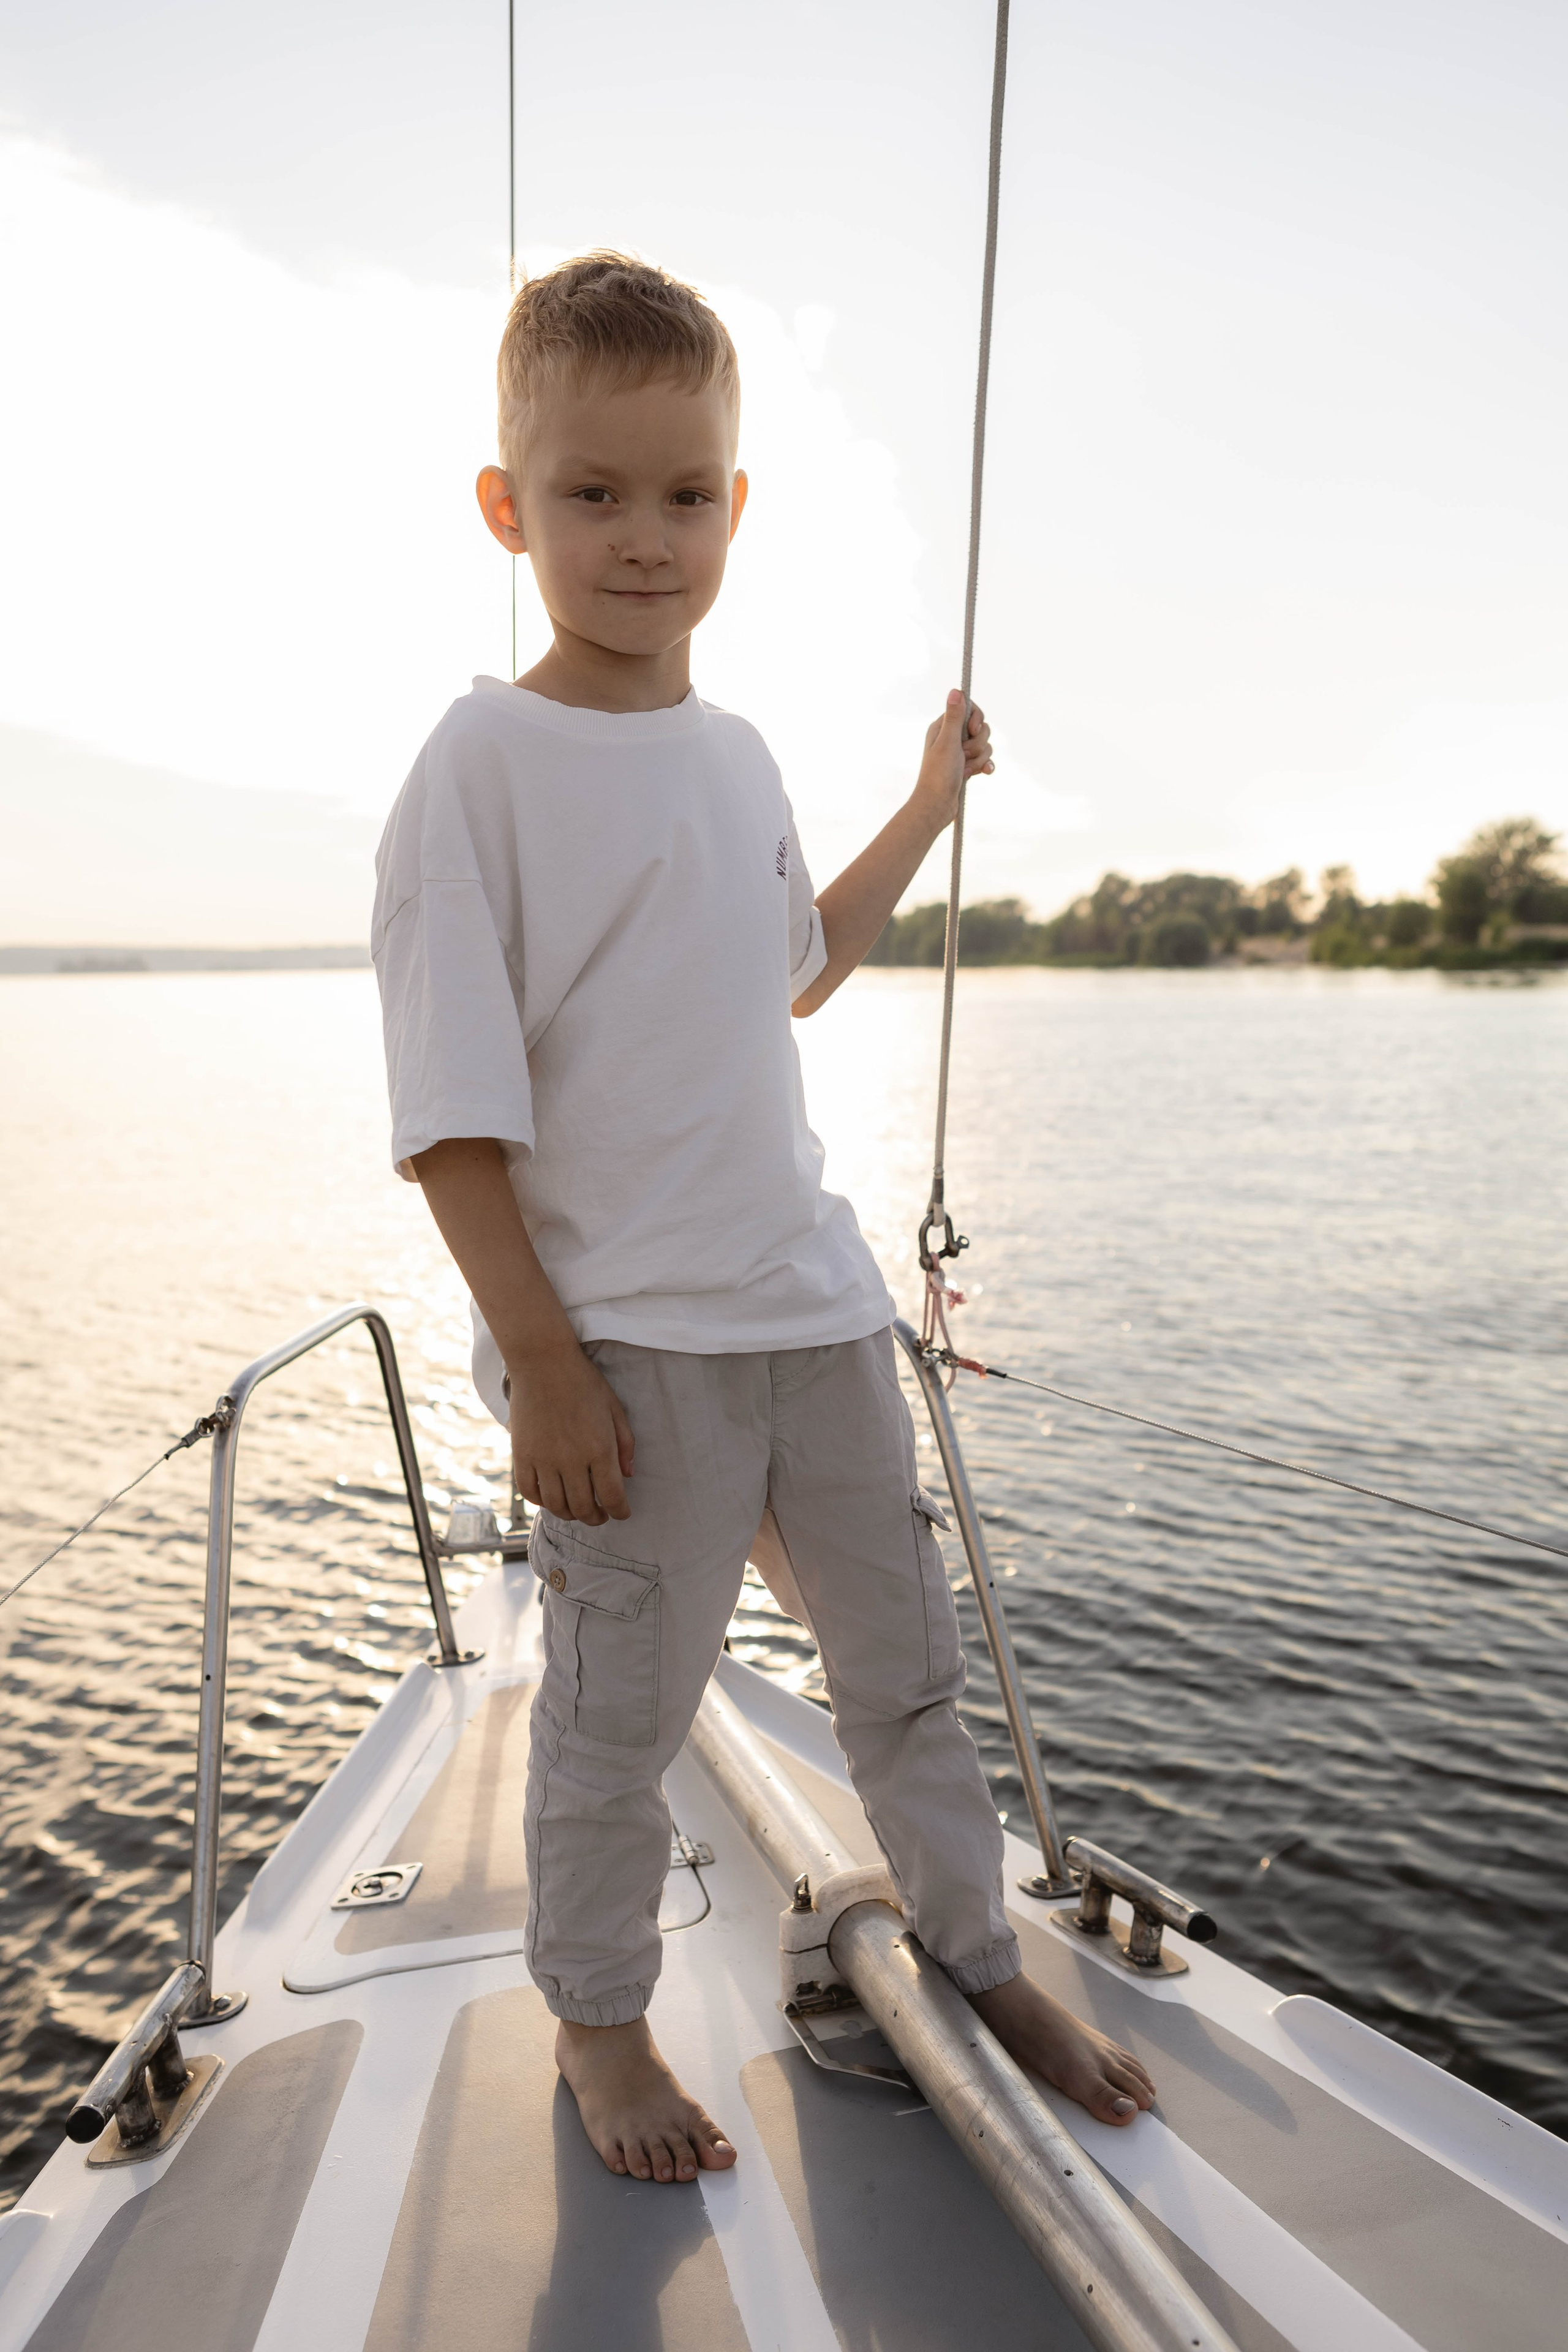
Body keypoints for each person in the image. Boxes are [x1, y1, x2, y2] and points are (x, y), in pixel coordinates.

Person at [372, 252, 1155, 2188]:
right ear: (508, 506)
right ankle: (602, 2027)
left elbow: (799, 965)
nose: (646, 538)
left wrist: (924, 803)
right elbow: (452, 1118)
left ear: (739, 504)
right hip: (631, 1355)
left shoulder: (735, 758)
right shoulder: (476, 770)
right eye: (594, 493)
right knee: (616, 1735)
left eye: (686, 493)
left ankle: (977, 1955)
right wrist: (542, 1362)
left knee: (905, 1677)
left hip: (817, 1312)